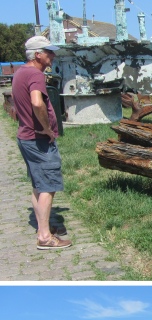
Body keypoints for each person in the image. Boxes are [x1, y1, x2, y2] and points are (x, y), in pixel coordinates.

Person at [12, 35, 71, 250]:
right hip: (38, 140)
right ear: (38, 55)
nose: (53, 55)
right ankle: (45, 237)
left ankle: (42, 228)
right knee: (48, 186)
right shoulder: (36, 75)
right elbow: (37, 103)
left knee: (38, 185)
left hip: (26, 137)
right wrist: (47, 128)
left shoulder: (20, 73)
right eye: (49, 52)